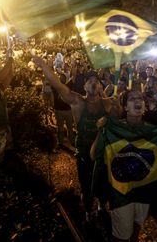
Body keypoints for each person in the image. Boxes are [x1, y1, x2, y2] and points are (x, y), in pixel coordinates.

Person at [90, 89, 157, 242]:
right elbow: (94, 155)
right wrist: (101, 131)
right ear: (125, 107)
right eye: (132, 99)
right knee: (121, 237)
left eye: (140, 98)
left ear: (145, 106)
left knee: (135, 230)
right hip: (121, 194)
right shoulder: (115, 128)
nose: (138, 100)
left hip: (144, 191)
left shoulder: (152, 131)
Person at [34, 56, 119, 219]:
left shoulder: (107, 103)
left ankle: (102, 207)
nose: (93, 82)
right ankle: (88, 213)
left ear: (100, 85)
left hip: (103, 155)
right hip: (84, 155)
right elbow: (58, 86)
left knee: (103, 185)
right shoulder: (77, 101)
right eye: (90, 80)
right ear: (84, 85)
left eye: (96, 80)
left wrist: (116, 104)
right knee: (87, 188)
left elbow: (119, 117)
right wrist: (44, 65)